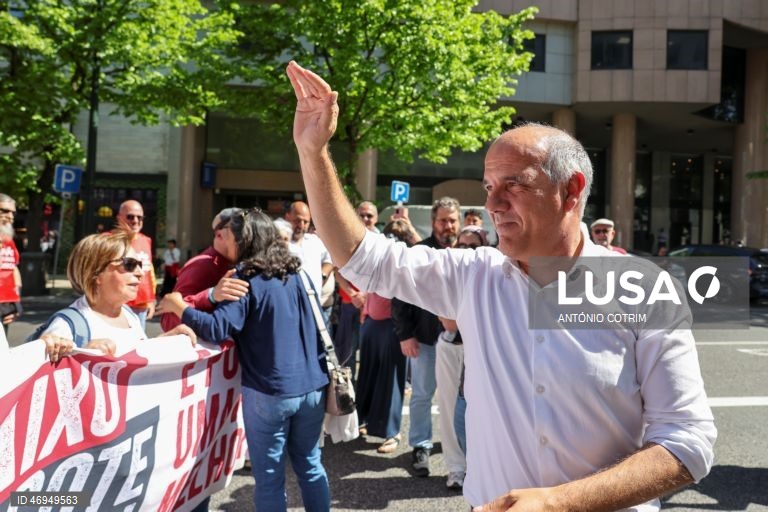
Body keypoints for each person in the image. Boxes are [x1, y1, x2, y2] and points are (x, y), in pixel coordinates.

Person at [286, 61, 716, 511]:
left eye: (513, 185)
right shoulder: (475, 275)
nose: (492, 204)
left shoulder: (644, 291)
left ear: (572, 190)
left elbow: (688, 441)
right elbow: (361, 258)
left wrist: (559, 503)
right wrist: (313, 153)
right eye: (490, 186)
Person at [159, 208, 331, 512]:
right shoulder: (298, 273)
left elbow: (217, 327)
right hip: (314, 387)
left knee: (269, 478)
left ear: (244, 241)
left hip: (270, 391)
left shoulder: (246, 277)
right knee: (310, 465)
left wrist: (180, 306)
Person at [38, 230, 196, 363]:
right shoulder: (66, 326)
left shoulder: (128, 314)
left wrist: (166, 339)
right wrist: (81, 356)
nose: (140, 273)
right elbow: (43, 380)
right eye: (129, 264)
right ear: (96, 273)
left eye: (140, 265)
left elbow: (136, 356)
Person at [391, 196, 461, 480]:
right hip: (425, 339)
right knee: (422, 395)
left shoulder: (470, 251)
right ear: (433, 222)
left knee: (461, 399)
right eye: (443, 220)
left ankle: (460, 451)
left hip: (462, 344)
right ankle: (420, 445)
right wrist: (405, 334)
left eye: (452, 220)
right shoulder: (419, 252)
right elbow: (400, 297)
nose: (448, 225)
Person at [355, 220, 411, 454]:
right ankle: (366, 420)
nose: (393, 239)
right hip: (371, 324)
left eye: (398, 236)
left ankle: (391, 432)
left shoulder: (407, 260)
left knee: (391, 380)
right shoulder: (378, 257)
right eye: (390, 234)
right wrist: (366, 312)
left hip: (393, 326)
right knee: (367, 375)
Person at [160, 208, 249, 332]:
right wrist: (210, 296)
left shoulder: (234, 262)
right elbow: (169, 318)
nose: (246, 236)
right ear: (219, 235)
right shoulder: (202, 264)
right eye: (239, 231)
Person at [114, 200, 156, 328]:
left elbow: (149, 272)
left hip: (140, 307)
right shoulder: (108, 241)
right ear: (119, 218)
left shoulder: (146, 240)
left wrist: (151, 300)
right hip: (117, 305)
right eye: (130, 216)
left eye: (140, 217)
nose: (136, 221)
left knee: (136, 344)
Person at [0, 194, 22, 336]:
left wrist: (16, 303)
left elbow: (13, 268)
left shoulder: (8, 241)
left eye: (13, 212)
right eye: (5, 211)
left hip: (6, 304)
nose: (11, 216)